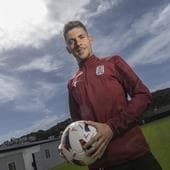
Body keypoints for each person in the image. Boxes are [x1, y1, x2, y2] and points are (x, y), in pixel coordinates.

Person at [63, 20, 162, 170]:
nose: (77, 43)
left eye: (81, 37)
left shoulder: (113, 62)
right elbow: (77, 126)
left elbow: (143, 95)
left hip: (136, 156)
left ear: (90, 38)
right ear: (68, 49)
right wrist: (67, 144)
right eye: (72, 41)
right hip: (101, 164)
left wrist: (111, 128)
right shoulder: (72, 84)